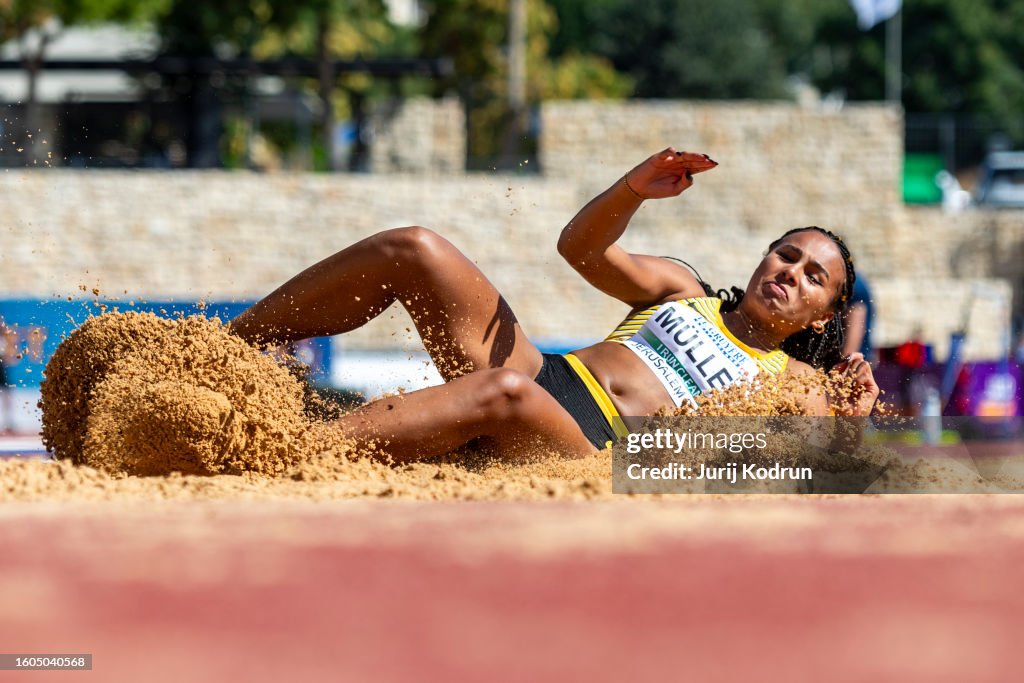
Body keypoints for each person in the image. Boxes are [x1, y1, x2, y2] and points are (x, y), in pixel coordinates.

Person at [230, 148, 879, 462]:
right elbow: (581, 248)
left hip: (592, 447)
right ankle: (224, 347)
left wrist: (852, 425)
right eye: (786, 255)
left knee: (505, 391)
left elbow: (813, 471)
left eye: (813, 276)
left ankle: (281, 450)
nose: (790, 272)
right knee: (416, 247)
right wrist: (632, 189)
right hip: (549, 372)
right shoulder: (687, 289)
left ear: (822, 315)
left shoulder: (798, 384)